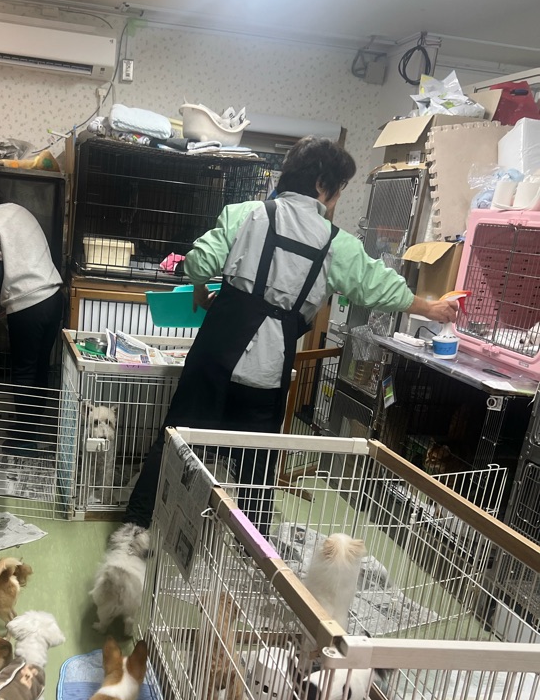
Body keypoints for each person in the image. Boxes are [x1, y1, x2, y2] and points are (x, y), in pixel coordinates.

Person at [124, 136, 460, 531]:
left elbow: (197, 263)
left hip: (214, 356)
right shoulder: (338, 244)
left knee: (177, 441)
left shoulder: (246, 213)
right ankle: (248, 548)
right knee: (256, 466)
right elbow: (379, 288)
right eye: (340, 188)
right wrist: (432, 308)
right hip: (267, 372)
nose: (337, 198)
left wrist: (200, 290)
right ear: (321, 184)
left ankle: (136, 531)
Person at [0, 177, 64, 454]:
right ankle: (29, 429)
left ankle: (25, 440)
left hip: (28, 303)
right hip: (54, 297)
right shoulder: (19, 210)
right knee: (40, 368)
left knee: (24, 370)